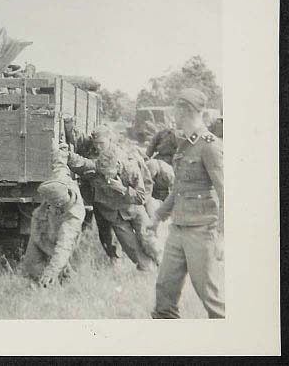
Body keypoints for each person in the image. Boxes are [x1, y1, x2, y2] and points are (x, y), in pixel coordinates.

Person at [151, 88, 224, 319]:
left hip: (201, 231)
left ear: (184, 110)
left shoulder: (210, 146)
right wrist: (158, 216)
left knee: (210, 297)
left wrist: (222, 236)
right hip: (178, 229)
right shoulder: (185, 145)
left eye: (175, 108)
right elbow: (179, 189)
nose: (173, 114)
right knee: (164, 294)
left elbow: (226, 193)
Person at [70, 125, 157, 270]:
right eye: (96, 143)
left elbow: (143, 192)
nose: (98, 147)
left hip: (132, 207)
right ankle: (148, 269)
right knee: (130, 246)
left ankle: (163, 264)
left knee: (148, 239)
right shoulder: (94, 160)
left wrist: (123, 189)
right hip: (111, 212)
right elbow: (82, 162)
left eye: (101, 143)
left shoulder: (128, 163)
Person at [22, 141, 87, 287]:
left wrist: (51, 271)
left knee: (58, 259)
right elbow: (60, 165)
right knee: (30, 264)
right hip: (42, 224)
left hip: (57, 230)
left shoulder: (73, 218)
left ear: (57, 204)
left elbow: (63, 247)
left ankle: (61, 284)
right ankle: (41, 284)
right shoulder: (62, 182)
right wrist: (59, 149)